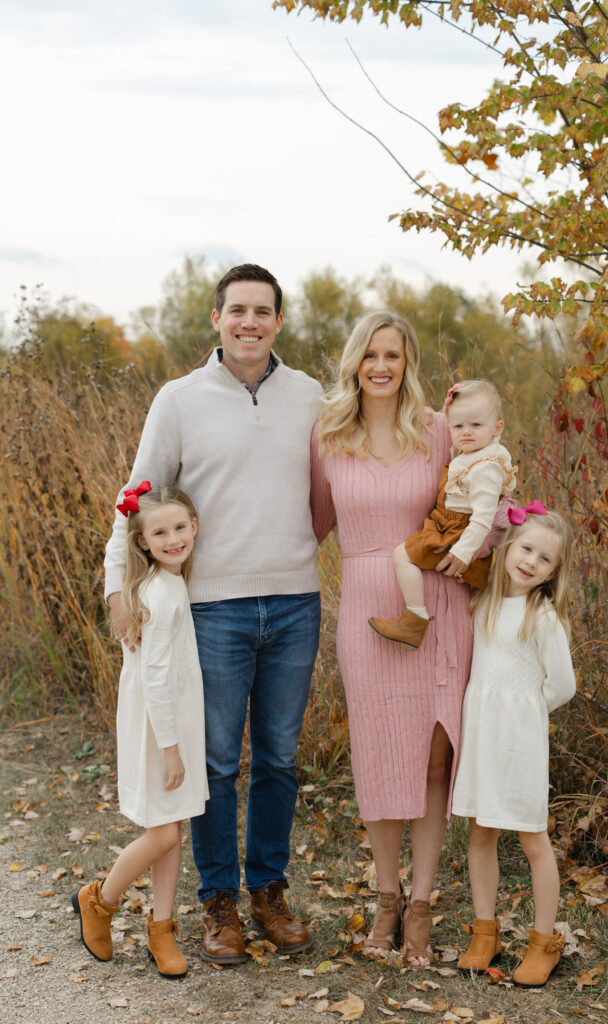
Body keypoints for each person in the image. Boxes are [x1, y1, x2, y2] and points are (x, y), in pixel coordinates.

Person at [104, 265, 324, 965]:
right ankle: (218, 901)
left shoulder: (309, 395)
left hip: (294, 600)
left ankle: (269, 891)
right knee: (217, 762)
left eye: (263, 311)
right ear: (216, 318)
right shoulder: (179, 399)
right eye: (238, 310)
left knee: (280, 761)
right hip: (213, 609)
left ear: (279, 322)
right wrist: (119, 589)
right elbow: (134, 499)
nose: (250, 322)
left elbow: (335, 486)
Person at [309, 312, 511, 967]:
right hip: (367, 609)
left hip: (437, 602)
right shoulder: (328, 432)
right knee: (377, 758)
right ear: (354, 361)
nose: (380, 366)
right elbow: (310, 522)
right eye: (370, 354)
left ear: (408, 362)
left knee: (430, 760)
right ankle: (386, 897)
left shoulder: (435, 430)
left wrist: (495, 546)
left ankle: (421, 905)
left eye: (392, 354)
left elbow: (486, 494)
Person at [73, 484, 207, 978]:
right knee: (165, 834)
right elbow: (154, 677)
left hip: (174, 723)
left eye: (179, 527)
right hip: (158, 729)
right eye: (160, 532)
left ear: (194, 527)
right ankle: (99, 900)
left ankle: (162, 928)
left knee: (170, 829)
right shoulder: (159, 592)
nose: (173, 538)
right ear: (143, 542)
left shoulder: (170, 583)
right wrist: (171, 749)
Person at [452, 503, 575, 987]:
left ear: (553, 573)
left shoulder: (541, 617)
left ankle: (545, 941)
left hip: (518, 743)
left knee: (531, 837)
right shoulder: (482, 601)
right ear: (507, 547)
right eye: (526, 548)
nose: (531, 562)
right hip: (482, 739)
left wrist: (522, 713)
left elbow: (561, 686)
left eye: (545, 559)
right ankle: (486, 931)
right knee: (480, 833)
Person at [369, 378, 516, 649]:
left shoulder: (487, 467)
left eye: (476, 425)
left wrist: (462, 552)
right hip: (449, 524)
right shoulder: (470, 454)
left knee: (402, 555)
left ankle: (414, 618)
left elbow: (482, 518)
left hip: (458, 531)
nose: (466, 432)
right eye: (458, 426)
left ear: (497, 429)